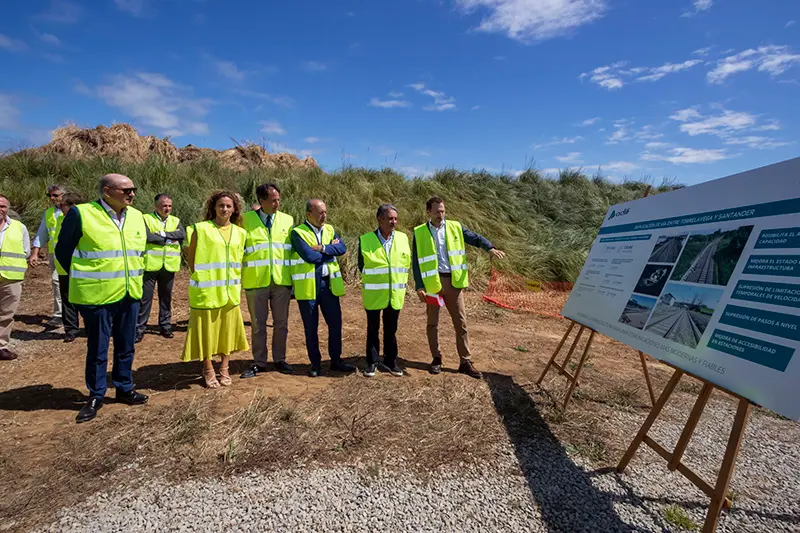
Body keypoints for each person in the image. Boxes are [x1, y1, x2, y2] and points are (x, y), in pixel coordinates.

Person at [55, 174, 149, 423]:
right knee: (98, 348)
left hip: (130, 292)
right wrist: (81, 282)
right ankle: (96, 395)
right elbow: (63, 252)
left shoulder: (137, 216)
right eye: (126, 190)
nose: (132, 194)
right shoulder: (82, 214)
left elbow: (140, 253)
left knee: (126, 344)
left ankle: (124, 387)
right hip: (96, 295)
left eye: (133, 189)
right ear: (107, 191)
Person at [412, 196, 506, 379]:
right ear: (428, 212)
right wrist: (419, 285)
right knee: (432, 323)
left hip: (454, 282)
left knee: (461, 322)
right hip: (432, 283)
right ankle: (436, 358)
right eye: (437, 211)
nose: (441, 214)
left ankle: (465, 361)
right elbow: (415, 262)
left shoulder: (455, 227)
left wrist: (490, 248)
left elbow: (475, 238)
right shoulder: (419, 232)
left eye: (443, 211)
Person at [181, 190, 249, 388]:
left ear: (235, 209)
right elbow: (191, 261)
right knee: (206, 333)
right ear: (213, 207)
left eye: (229, 206)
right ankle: (208, 368)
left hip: (230, 293)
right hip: (207, 292)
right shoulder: (200, 229)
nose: (225, 209)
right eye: (221, 205)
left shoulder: (241, 233)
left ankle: (225, 368)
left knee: (226, 332)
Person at [290, 199, 354, 377]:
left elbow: (342, 248)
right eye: (319, 212)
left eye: (325, 211)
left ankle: (336, 360)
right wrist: (328, 251)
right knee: (311, 327)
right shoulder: (297, 233)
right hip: (308, 287)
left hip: (329, 285)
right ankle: (315, 364)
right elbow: (309, 256)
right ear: (308, 214)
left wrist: (322, 248)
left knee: (335, 324)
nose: (323, 215)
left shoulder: (330, 229)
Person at [239, 183, 295, 378]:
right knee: (258, 324)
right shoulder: (244, 220)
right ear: (262, 201)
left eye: (279, 199)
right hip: (256, 282)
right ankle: (259, 362)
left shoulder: (288, 220)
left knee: (281, 324)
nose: (277, 203)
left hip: (281, 281)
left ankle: (280, 359)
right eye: (273, 200)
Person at [358, 204, 410, 377]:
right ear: (379, 220)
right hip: (374, 294)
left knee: (391, 329)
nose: (393, 222)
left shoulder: (403, 238)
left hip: (395, 294)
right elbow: (361, 265)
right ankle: (372, 362)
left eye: (395, 218)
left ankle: (390, 362)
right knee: (372, 329)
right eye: (390, 218)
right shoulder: (365, 240)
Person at [136, 193, 186, 342]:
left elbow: (181, 234)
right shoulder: (146, 219)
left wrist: (162, 234)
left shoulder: (175, 220)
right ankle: (139, 328)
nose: (167, 208)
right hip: (150, 265)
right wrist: (170, 238)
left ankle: (165, 326)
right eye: (164, 206)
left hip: (169, 266)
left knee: (166, 297)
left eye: (169, 206)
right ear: (156, 206)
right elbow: (148, 237)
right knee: (145, 298)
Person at [28, 184, 65, 329]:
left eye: (55, 195)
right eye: (50, 195)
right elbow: (42, 233)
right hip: (54, 254)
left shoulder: (74, 211)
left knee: (63, 283)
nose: (52, 198)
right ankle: (59, 315)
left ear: (64, 195)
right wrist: (35, 253)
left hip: (72, 254)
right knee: (57, 282)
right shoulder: (49, 213)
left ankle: (66, 314)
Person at [0, 194, 31, 361]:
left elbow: (25, 251)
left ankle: (1, 346)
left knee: (6, 313)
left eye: (3, 206)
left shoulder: (19, 227)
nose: (0, 209)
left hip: (11, 277)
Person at [53, 192, 86, 343]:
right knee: (67, 298)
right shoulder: (59, 219)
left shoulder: (84, 220)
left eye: (62, 205)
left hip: (82, 267)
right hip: (63, 266)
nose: (60, 208)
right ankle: (71, 329)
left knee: (85, 297)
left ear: (73, 206)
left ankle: (90, 327)